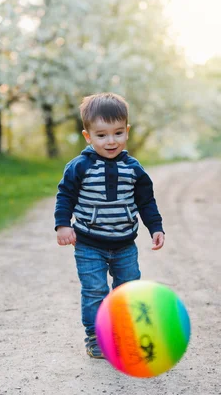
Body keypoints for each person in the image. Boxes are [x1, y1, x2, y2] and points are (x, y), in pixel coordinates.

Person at [54, 92, 165, 359]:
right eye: (101, 135)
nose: (111, 141)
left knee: (127, 288)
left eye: (117, 133)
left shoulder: (133, 169)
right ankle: (95, 336)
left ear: (126, 131)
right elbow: (65, 195)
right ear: (88, 136)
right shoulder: (79, 167)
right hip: (89, 243)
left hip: (125, 244)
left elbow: (146, 201)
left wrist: (156, 227)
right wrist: (62, 225)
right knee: (95, 291)